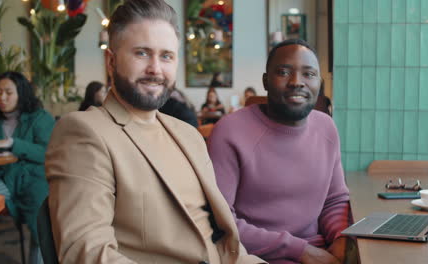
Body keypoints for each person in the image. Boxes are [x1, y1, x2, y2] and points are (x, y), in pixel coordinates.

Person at [45, 0, 265, 263]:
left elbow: (223, 241)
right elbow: (86, 253)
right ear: (111, 62)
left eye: (166, 56)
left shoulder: (188, 135)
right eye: (141, 53)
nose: (155, 69)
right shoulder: (84, 132)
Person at [208, 39, 352, 264]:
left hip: (321, 251)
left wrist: (341, 238)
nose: (297, 82)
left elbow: (335, 200)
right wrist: (301, 251)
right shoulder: (229, 131)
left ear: (319, 83)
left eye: (309, 74)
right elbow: (221, 220)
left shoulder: (326, 127)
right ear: (265, 81)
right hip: (253, 256)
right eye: (284, 72)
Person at [0, 71, 55, 264]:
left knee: (41, 235)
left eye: (8, 92)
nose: (2, 98)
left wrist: (13, 143)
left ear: (21, 93)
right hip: (6, 180)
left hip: (35, 181)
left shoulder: (40, 118)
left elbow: (48, 153)